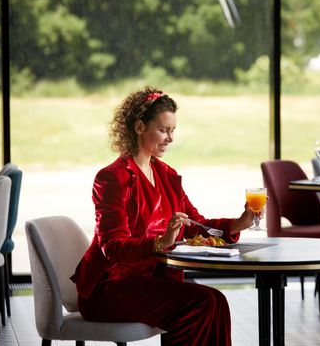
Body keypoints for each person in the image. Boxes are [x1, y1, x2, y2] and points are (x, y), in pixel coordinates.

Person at [71, 86, 254, 345]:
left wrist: (239, 222)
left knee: (217, 301)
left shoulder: (166, 175)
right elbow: (111, 247)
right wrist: (161, 242)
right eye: (163, 130)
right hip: (109, 288)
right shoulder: (112, 178)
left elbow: (192, 225)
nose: (170, 138)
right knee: (201, 303)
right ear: (139, 128)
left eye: (173, 130)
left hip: (148, 281)